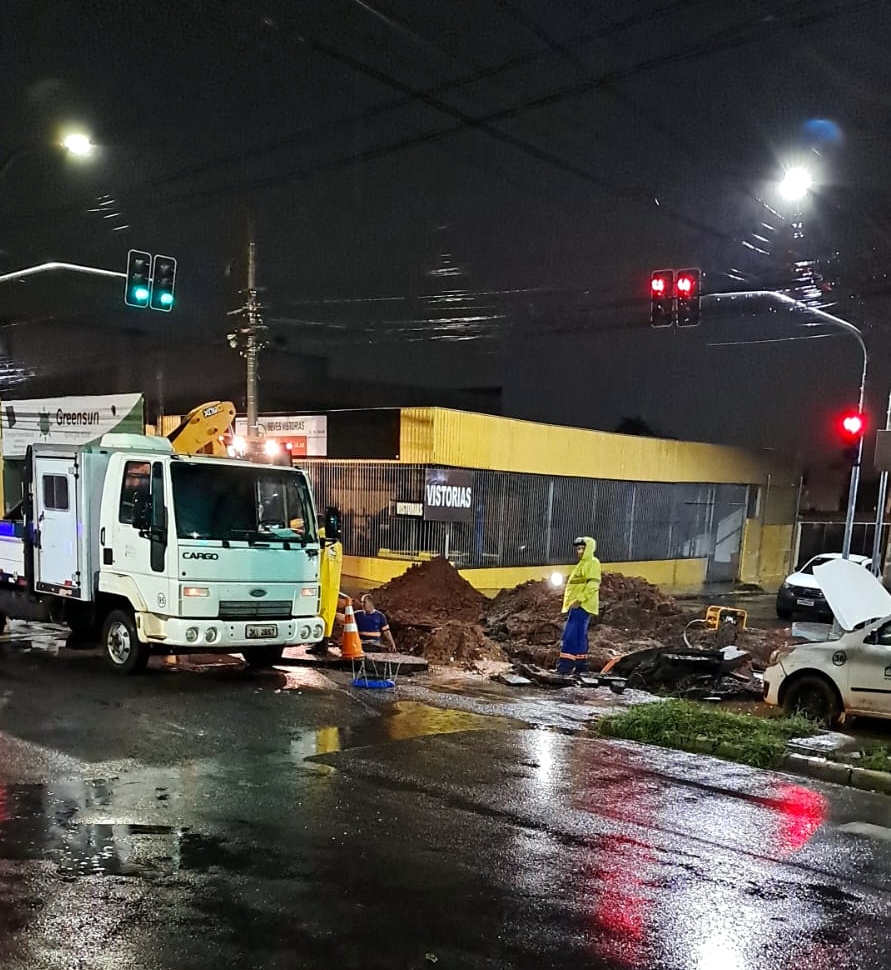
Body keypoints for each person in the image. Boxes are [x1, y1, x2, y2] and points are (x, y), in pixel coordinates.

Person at [556, 536, 601, 675]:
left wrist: (580, 600)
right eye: (578, 548)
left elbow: (593, 585)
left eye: (582, 548)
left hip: (582, 605)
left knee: (571, 635)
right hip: (577, 605)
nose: (579, 551)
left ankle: (565, 667)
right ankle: (582, 667)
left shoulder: (593, 563)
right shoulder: (580, 565)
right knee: (580, 635)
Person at [308, 515, 343, 656]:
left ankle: (321, 646)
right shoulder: (336, 543)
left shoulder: (320, 539)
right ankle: (323, 643)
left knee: (320, 612)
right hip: (332, 585)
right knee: (328, 613)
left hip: (321, 582)